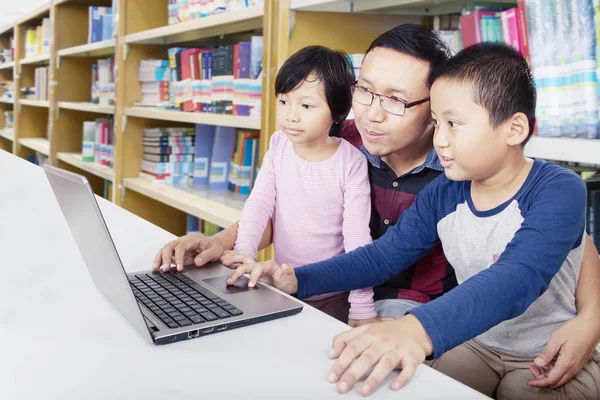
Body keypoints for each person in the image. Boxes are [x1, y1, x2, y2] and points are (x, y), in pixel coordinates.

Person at [153, 25, 600, 392]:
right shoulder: (339, 140)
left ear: (431, 107)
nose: (370, 114)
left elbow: (548, 259)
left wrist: (592, 320)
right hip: (384, 317)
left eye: (396, 100)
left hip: (437, 320)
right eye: (363, 91)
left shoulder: (469, 172)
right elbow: (312, 220)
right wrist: (233, 249)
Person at [157, 45, 373, 323]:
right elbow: (259, 205)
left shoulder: (351, 163)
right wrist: (242, 255)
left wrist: (362, 308)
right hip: (280, 287)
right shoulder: (279, 144)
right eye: (283, 102)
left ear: (340, 110)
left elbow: (357, 243)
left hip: (333, 296)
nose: (290, 115)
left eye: (306, 105)